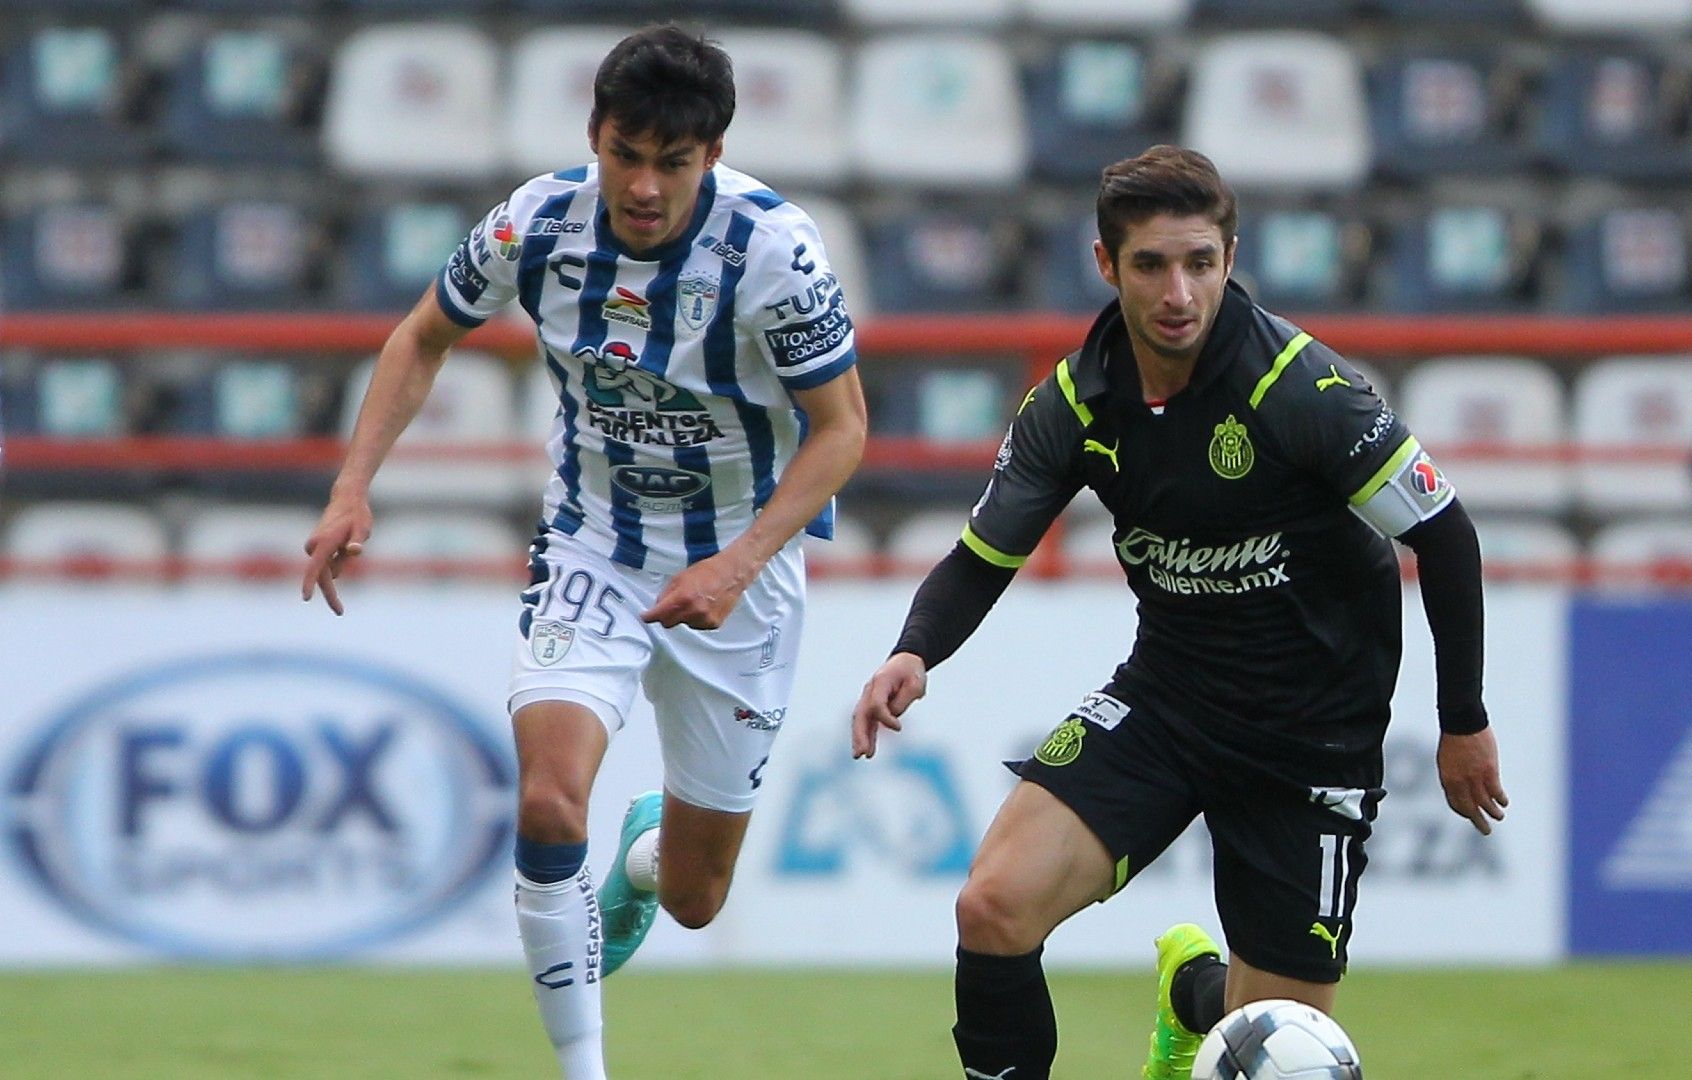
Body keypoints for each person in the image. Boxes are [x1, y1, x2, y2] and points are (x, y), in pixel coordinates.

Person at [852, 146, 1505, 1080]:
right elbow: (981, 556)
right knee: (991, 906)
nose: (1178, 291)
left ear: (1230, 259)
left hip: (1311, 737)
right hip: (1169, 702)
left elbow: (1443, 533)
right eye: (1152, 264)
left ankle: (1195, 998)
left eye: (1200, 261)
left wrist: (1462, 723)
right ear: (1106, 265)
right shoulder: (1075, 402)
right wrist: (913, 652)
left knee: (1273, 1042)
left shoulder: (1301, 389)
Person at [301, 26, 866, 1080]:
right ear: (593, 136)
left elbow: (844, 431)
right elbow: (423, 334)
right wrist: (352, 485)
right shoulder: (536, 224)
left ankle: (649, 861)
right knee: (548, 800)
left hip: (740, 573)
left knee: (698, 899)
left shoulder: (773, 253)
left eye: (674, 161)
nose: (644, 185)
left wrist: (736, 562)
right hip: (592, 547)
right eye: (626, 153)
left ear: (715, 150)